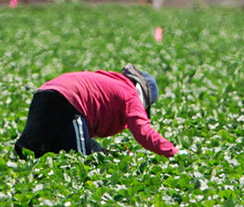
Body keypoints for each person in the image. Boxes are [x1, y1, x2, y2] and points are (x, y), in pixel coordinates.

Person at [14, 63, 178, 159]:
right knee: (79, 163)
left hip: (43, 96)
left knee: (29, 153)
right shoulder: (130, 94)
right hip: (68, 102)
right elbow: (143, 131)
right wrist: (173, 152)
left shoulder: (111, 82)